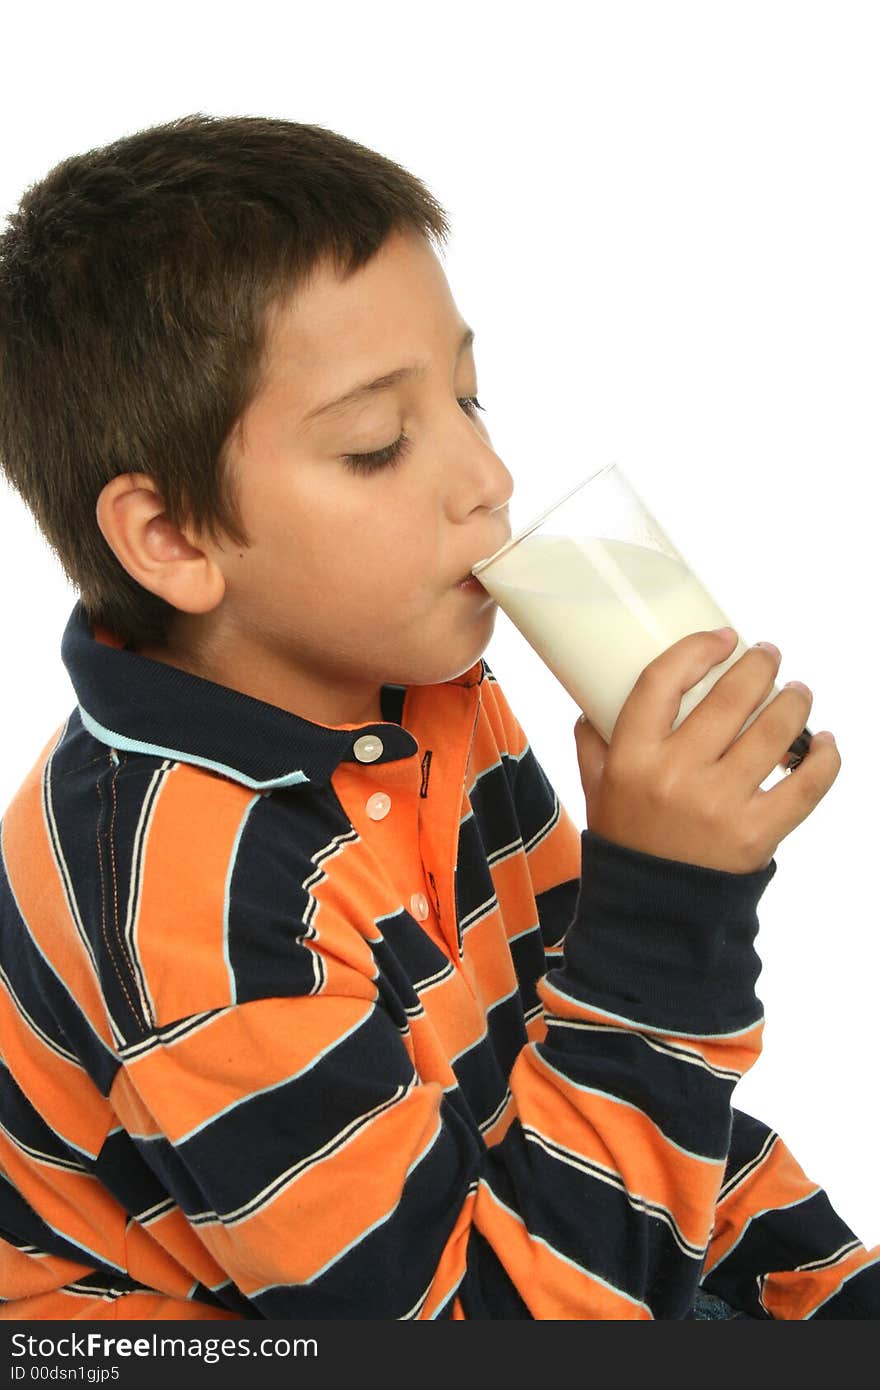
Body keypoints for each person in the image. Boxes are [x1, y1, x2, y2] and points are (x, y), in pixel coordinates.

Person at [0, 113, 876, 1323]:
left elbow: (587, 1084)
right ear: (172, 538)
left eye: (472, 398)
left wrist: (830, 1290)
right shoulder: (184, 905)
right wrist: (667, 915)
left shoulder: (428, 699)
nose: (488, 479)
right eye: (377, 445)